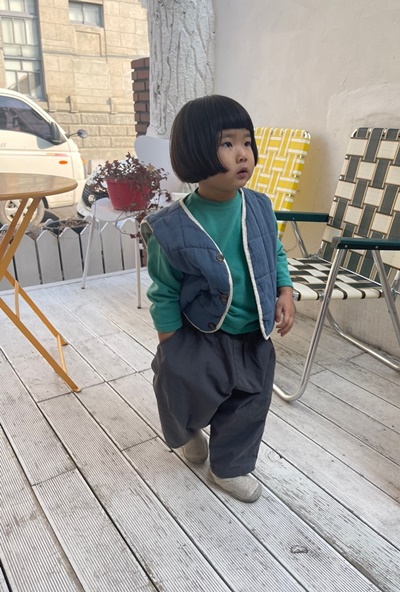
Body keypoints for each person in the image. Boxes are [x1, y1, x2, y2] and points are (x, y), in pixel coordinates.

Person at [141, 95, 295, 503]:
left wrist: (285, 290)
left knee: (250, 403)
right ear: (194, 151)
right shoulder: (171, 228)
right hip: (200, 333)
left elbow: (275, 252)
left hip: (254, 332)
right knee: (179, 386)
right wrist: (171, 343)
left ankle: (229, 467)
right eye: (227, 143)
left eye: (247, 142)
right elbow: (164, 289)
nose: (243, 153)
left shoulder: (259, 206)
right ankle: (188, 432)